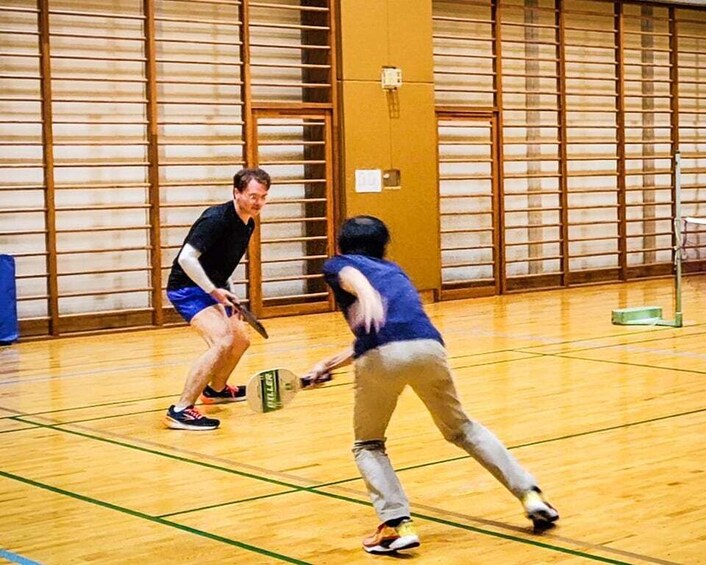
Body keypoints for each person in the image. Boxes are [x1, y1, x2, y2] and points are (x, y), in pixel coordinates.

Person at [306, 215, 559, 554]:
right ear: (383, 246)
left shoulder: (340, 264)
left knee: (368, 444)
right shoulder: (395, 272)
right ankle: (531, 495)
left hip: (383, 358)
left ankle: (396, 525)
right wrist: (329, 363)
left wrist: (364, 292)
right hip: (429, 348)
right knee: (463, 428)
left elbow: (353, 280)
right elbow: (395, 333)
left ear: (342, 245)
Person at [164, 167, 271, 431]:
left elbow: (223, 263)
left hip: (212, 288)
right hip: (187, 288)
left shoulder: (248, 223)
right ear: (236, 193)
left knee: (241, 340)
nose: (258, 202)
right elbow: (186, 259)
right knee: (222, 339)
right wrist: (213, 291)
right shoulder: (216, 219)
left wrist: (227, 293)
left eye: (263, 197)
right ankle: (181, 410)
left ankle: (217, 389)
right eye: (253, 196)